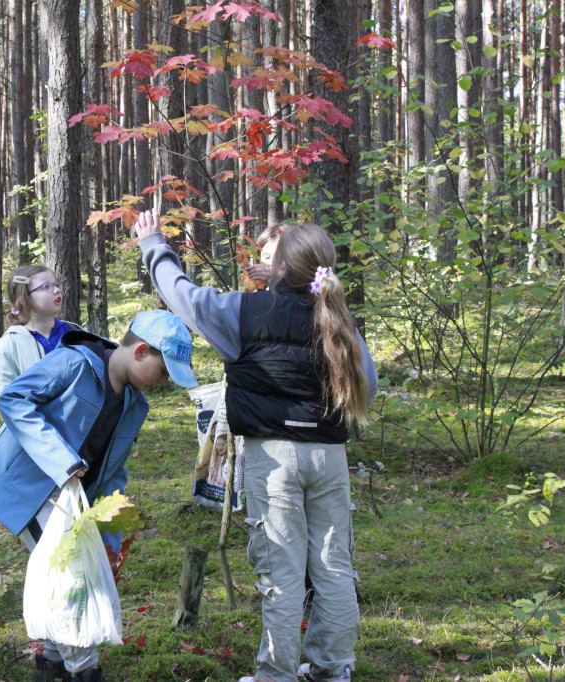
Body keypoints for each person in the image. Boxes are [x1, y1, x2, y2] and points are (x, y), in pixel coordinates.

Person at [135, 208, 378, 682]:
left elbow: (182, 296)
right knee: (333, 566)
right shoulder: (338, 320)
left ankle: (276, 674)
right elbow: (366, 382)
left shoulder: (244, 312)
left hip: (275, 458)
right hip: (330, 458)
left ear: (280, 267)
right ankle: (332, 668)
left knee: (281, 572)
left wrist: (153, 245)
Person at [0, 309, 198, 682]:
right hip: (31, 486)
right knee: (74, 580)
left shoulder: (135, 405)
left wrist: (111, 532)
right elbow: (13, 400)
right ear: (140, 352)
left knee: (67, 579)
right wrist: (62, 461)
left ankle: (52, 665)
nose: (166, 380)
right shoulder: (75, 363)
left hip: (76, 501)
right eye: (165, 369)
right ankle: (85, 671)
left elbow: (113, 471)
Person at [0, 265, 82, 407]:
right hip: (36, 424)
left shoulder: (76, 334)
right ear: (24, 299)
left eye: (57, 285)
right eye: (46, 287)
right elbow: (4, 400)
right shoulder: (7, 345)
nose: (57, 290)